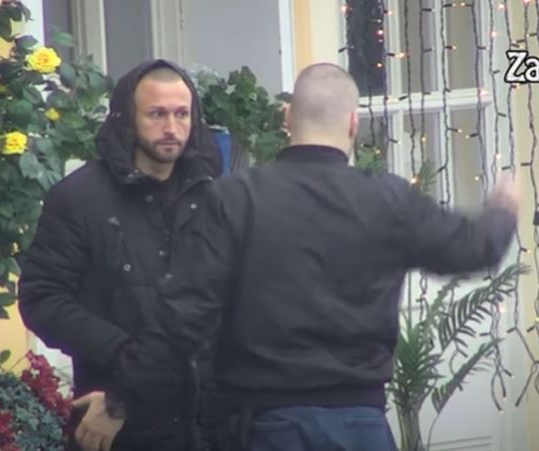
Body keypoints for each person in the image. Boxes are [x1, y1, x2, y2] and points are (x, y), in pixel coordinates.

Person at [114, 62, 520, 451]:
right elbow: (473, 248)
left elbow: (183, 314)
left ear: (287, 118)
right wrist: (503, 210)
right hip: (360, 423)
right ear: (353, 123)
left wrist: (121, 401)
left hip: (268, 424)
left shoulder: (236, 198)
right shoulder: (388, 199)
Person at [18, 59, 222, 451]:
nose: (171, 128)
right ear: (127, 118)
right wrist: (122, 355)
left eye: (182, 114)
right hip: (114, 420)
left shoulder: (215, 198)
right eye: (157, 114)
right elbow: (42, 297)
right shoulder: (80, 198)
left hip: (209, 425)